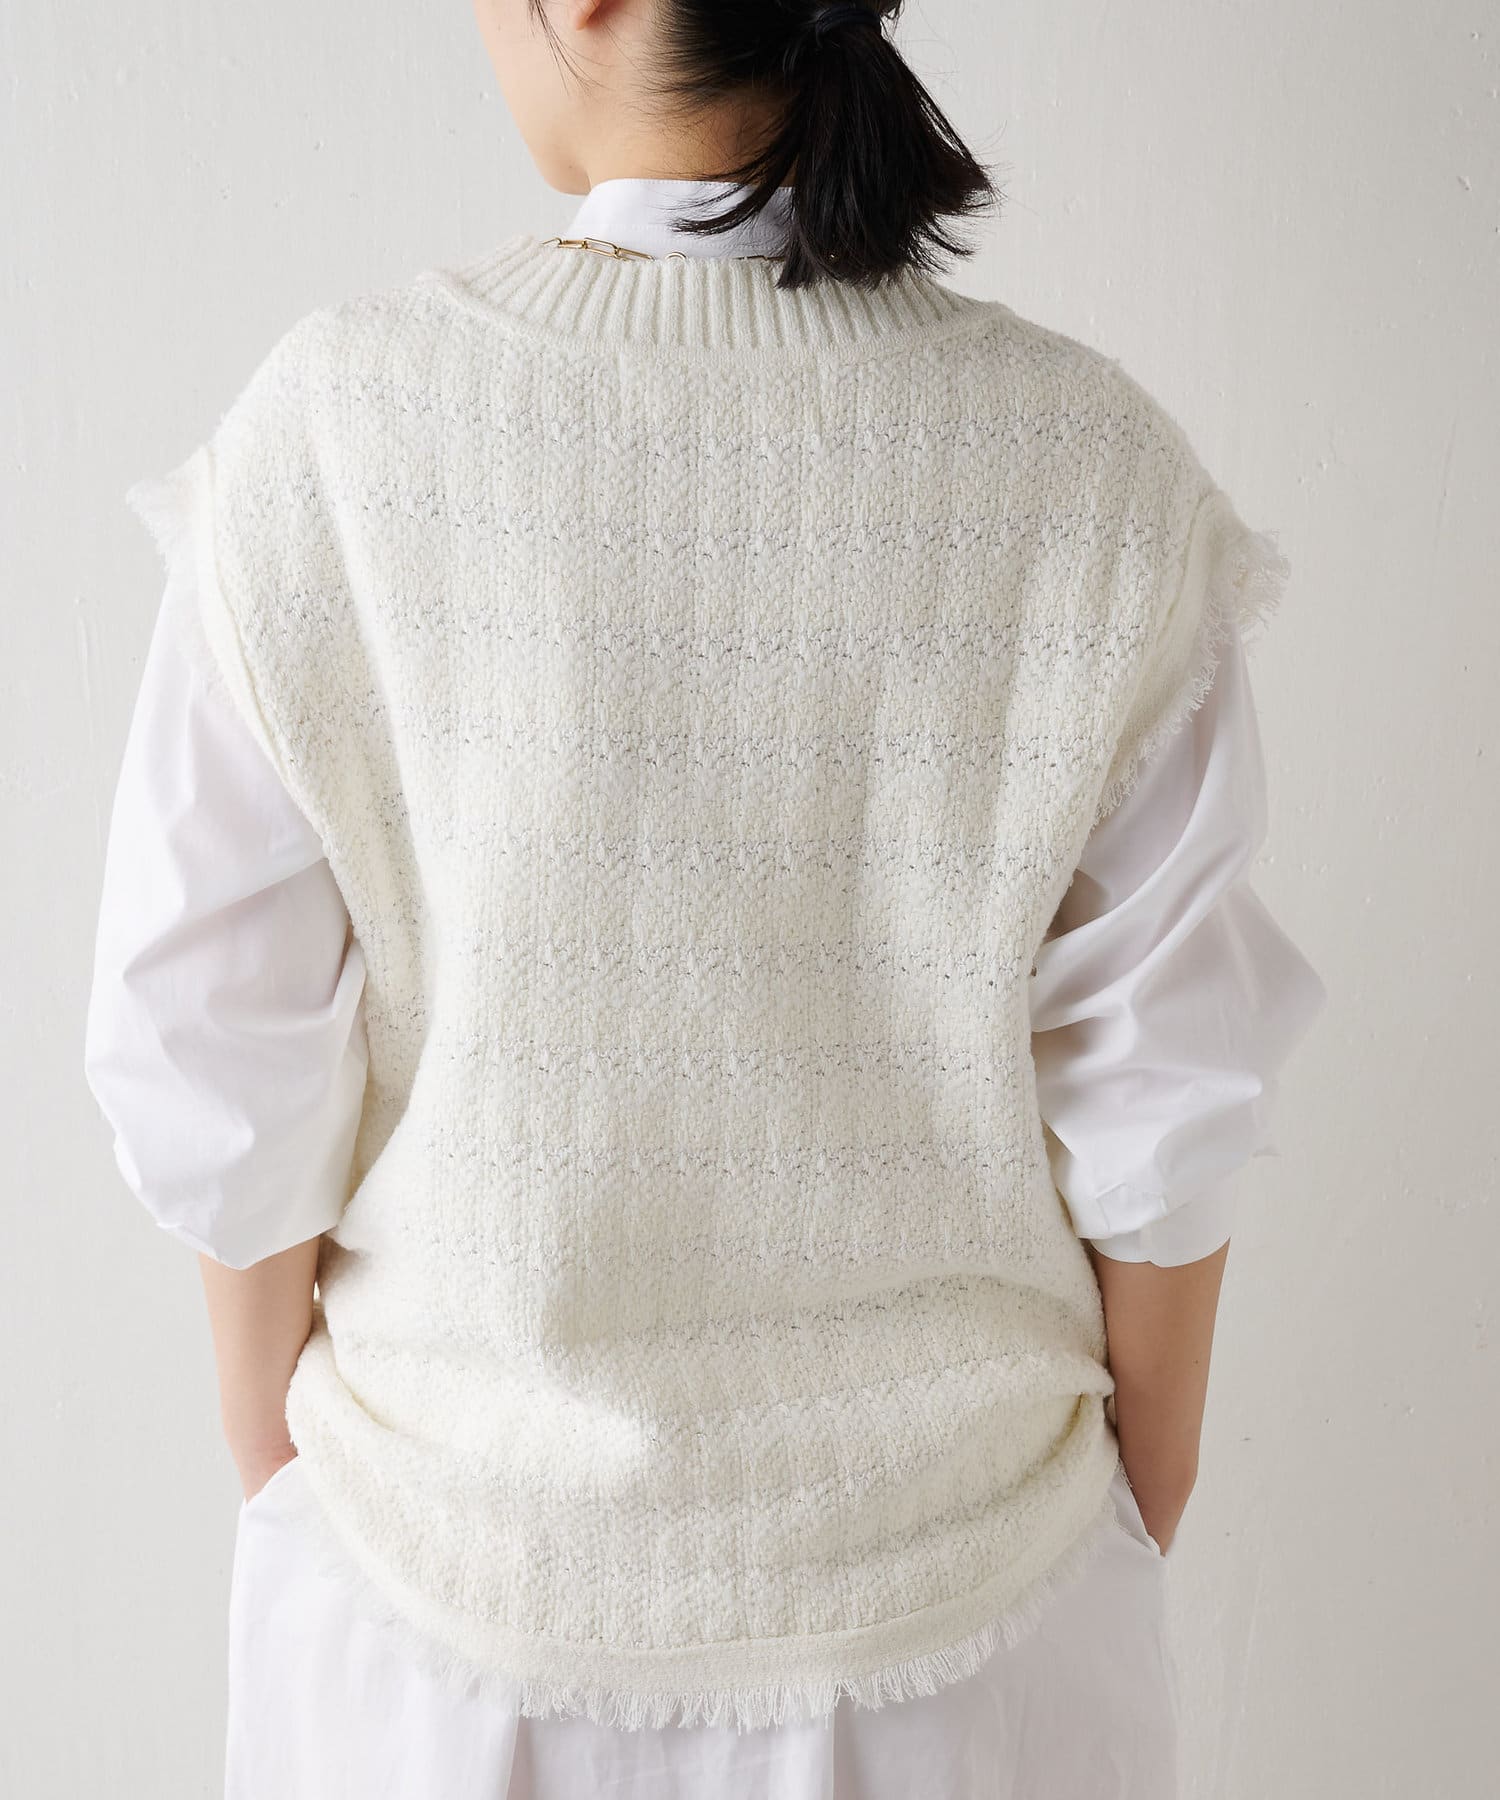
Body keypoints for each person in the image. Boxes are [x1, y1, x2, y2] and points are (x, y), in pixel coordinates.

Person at [83, 1, 1327, 1794]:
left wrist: (277, 1459)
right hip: (971, 1638)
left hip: (440, 1622)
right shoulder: (1091, 467)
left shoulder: (338, 430)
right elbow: (1170, 1093)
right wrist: (1135, 1502)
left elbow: (211, 1045)